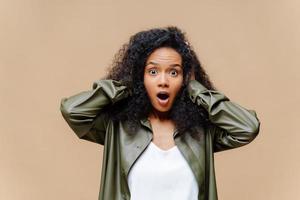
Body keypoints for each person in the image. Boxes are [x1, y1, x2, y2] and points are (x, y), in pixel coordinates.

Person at [60, 26, 260, 200]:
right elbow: (74, 111)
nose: (163, 81)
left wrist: (195, 89)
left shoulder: (201, 132)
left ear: (184, 79)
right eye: (153, 72)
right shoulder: (118, 129)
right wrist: (127, 83)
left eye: (174, 72)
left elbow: (247, 127)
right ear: (141, 77)